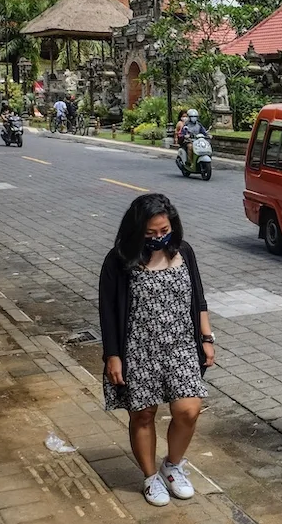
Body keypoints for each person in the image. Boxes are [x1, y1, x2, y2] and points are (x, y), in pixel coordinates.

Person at [99, 194, 215, 507]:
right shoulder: (119, 259)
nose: (158, 237)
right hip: (138, 348)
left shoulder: (184, 251)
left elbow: (199, 298)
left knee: (188, 409)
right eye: (150, 233)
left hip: (181, 345)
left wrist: (207, 337)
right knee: (143, 415)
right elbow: (108, 312)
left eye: (163, 230)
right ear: (137, 231)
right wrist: (113, 355)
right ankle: (151, 477)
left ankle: (172, 465)